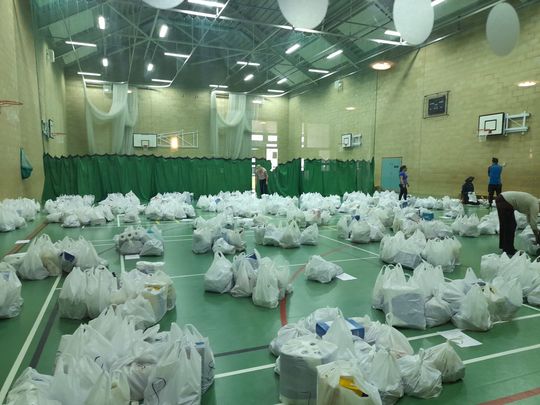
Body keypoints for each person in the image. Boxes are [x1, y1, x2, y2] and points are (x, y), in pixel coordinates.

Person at [495, 191, 540, 256]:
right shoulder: (535, 205)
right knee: (511, 225)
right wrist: (537, 236)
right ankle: (509, 250)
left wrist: (537, 232)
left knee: (505, 225)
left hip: (501, 198)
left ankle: (504, 247)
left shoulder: (534, 201)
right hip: (505, 201)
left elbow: (530, 220)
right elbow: (533, 223)